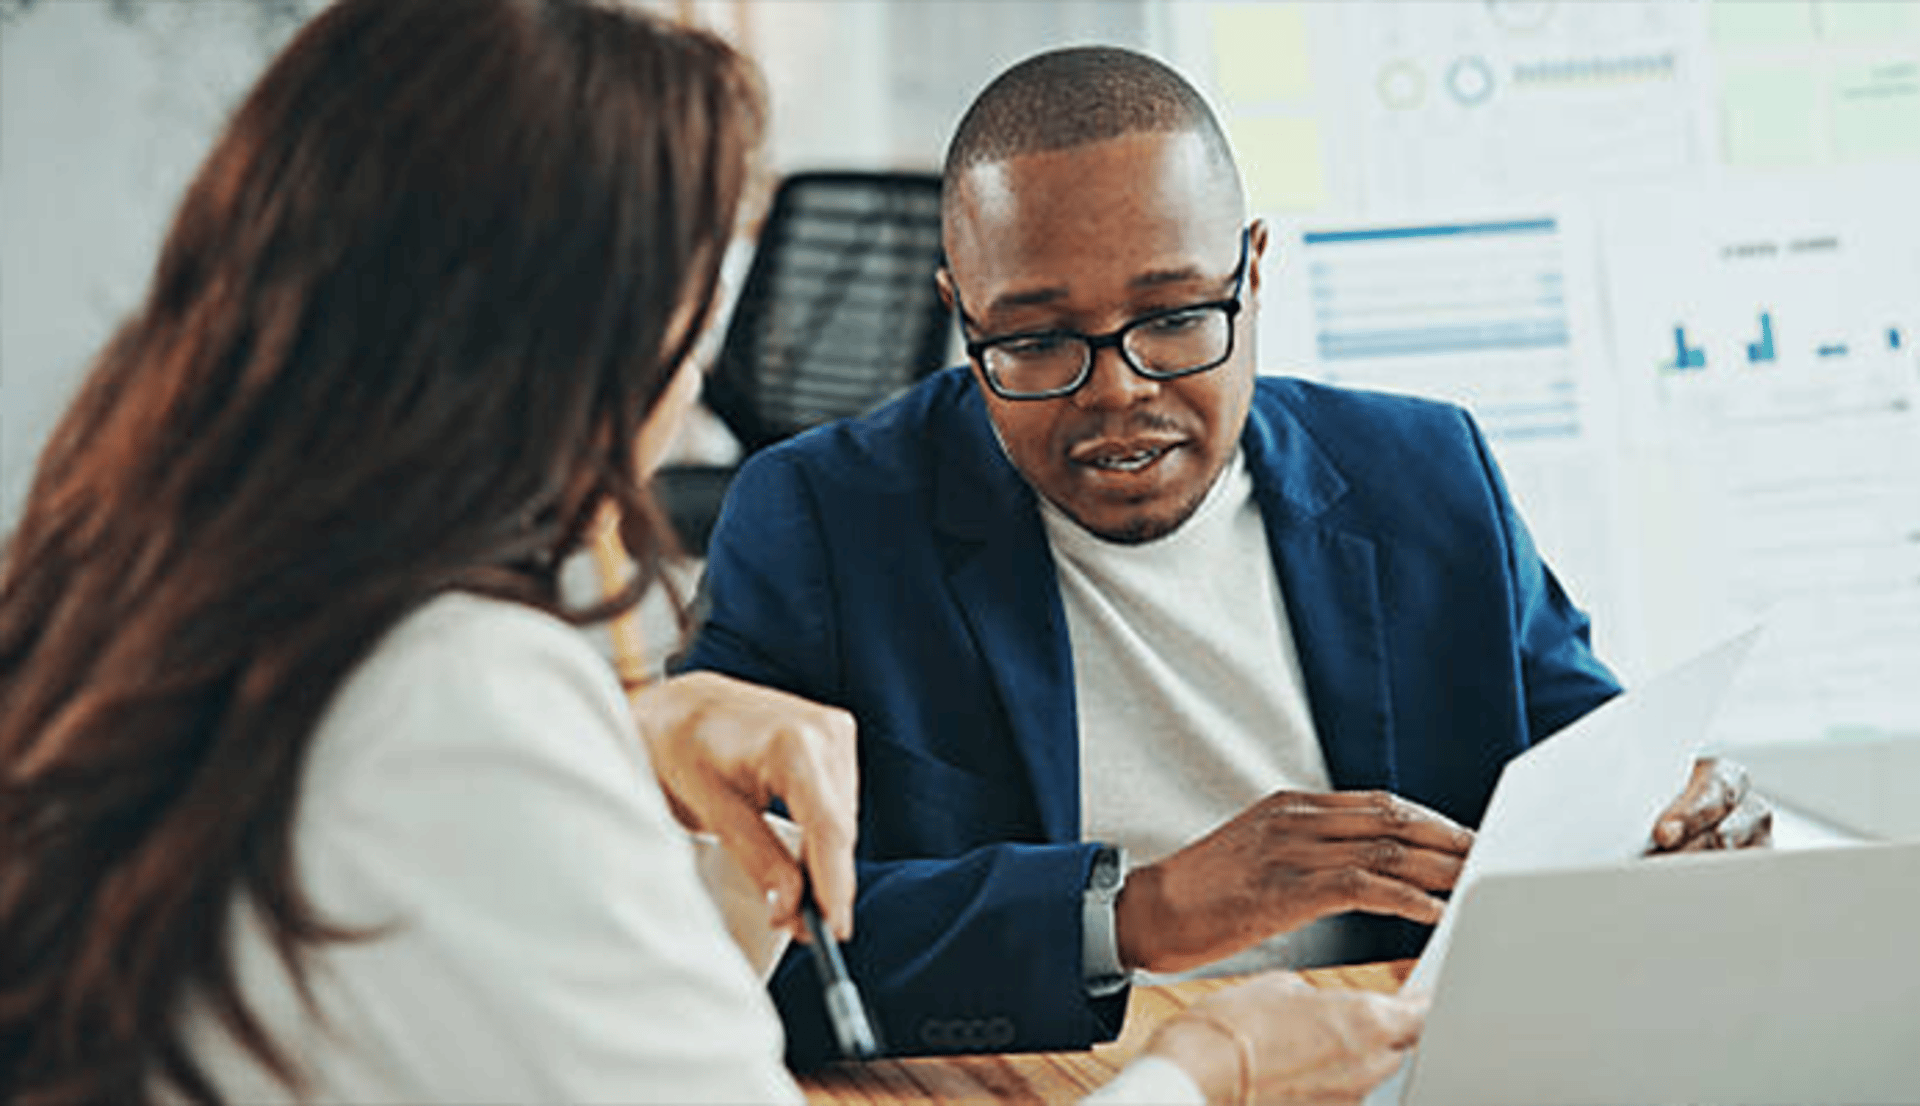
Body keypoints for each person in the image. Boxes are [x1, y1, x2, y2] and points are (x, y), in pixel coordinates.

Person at [0, 5, 1425, 1105]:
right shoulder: (454, 697)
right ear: (582, 341)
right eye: (700, 292)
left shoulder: (147, 608)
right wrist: (1215, 1065)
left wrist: (694, 874)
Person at [679, 45, 1773, 1068]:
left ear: (1253, 273)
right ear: (959, 312)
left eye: (1174, 315)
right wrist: (1137, 909)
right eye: (1036, 340)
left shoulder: (1426, 474)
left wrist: (1673, 820)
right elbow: (715, 947)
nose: (1119, 389)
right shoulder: (822, 520)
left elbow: (1592, 772)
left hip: (1394, 1061)